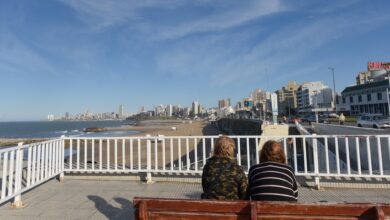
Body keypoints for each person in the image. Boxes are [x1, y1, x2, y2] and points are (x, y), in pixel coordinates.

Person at [201, 136, 247, 200]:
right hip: (233, 208)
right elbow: (244, 194)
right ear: (231, 150)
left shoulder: (208, 166)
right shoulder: (237, 169)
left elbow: (205, 188)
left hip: (210, 207)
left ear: (216, 148)